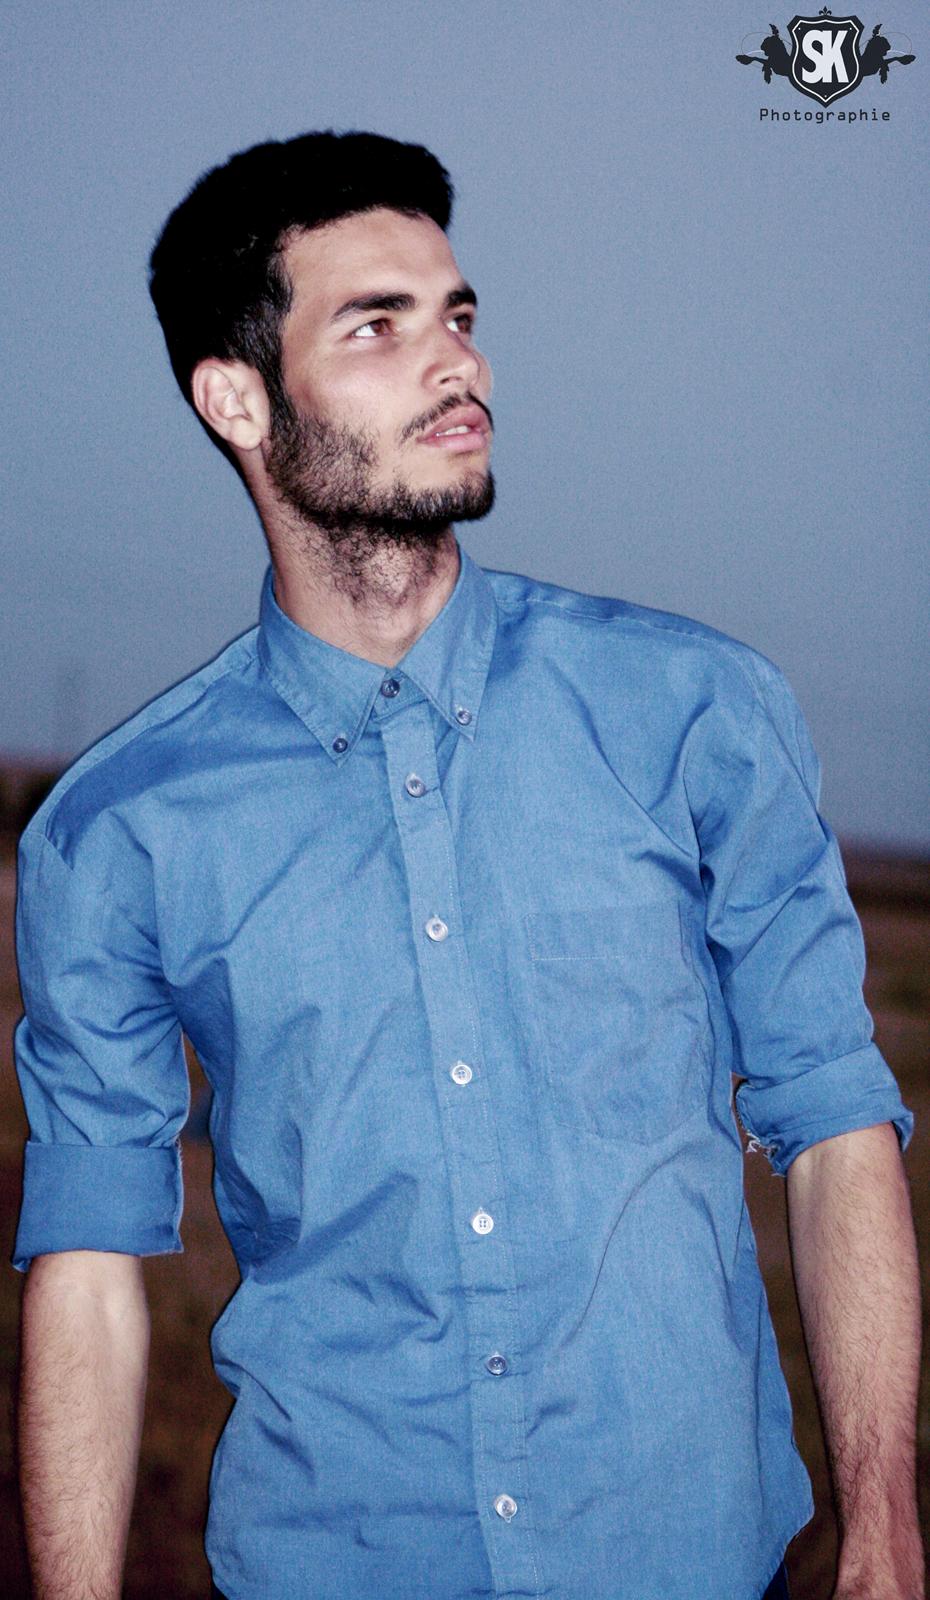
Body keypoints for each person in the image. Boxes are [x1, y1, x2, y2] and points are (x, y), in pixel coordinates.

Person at [12, 130, 922, 1600]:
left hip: (691, 1559)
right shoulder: (118, 828)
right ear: (236, 399)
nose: (458, 365)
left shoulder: (693, 710)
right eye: (377, 327)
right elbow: (91, 1267)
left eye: (458, 316)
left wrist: (884, 1528)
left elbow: (833, 1123)